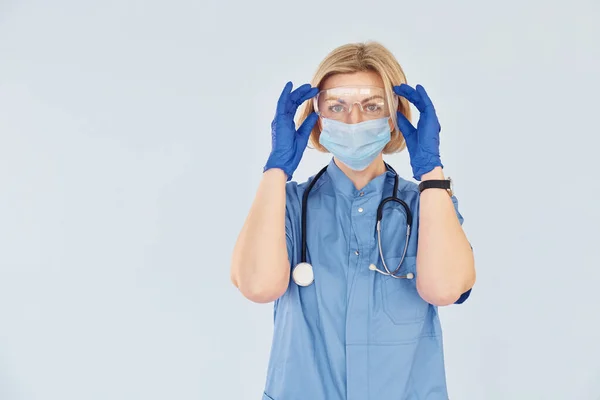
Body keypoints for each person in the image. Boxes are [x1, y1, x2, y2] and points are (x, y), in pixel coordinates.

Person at [230, 41, 476, 400]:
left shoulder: (427, 204)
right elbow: (257, 286)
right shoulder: (288, 204)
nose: (354, 120)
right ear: (317, 116)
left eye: (372, 106)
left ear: (395, 118)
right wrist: (276, 170)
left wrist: (431, 173)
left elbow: (444, 289)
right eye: (337, 106)